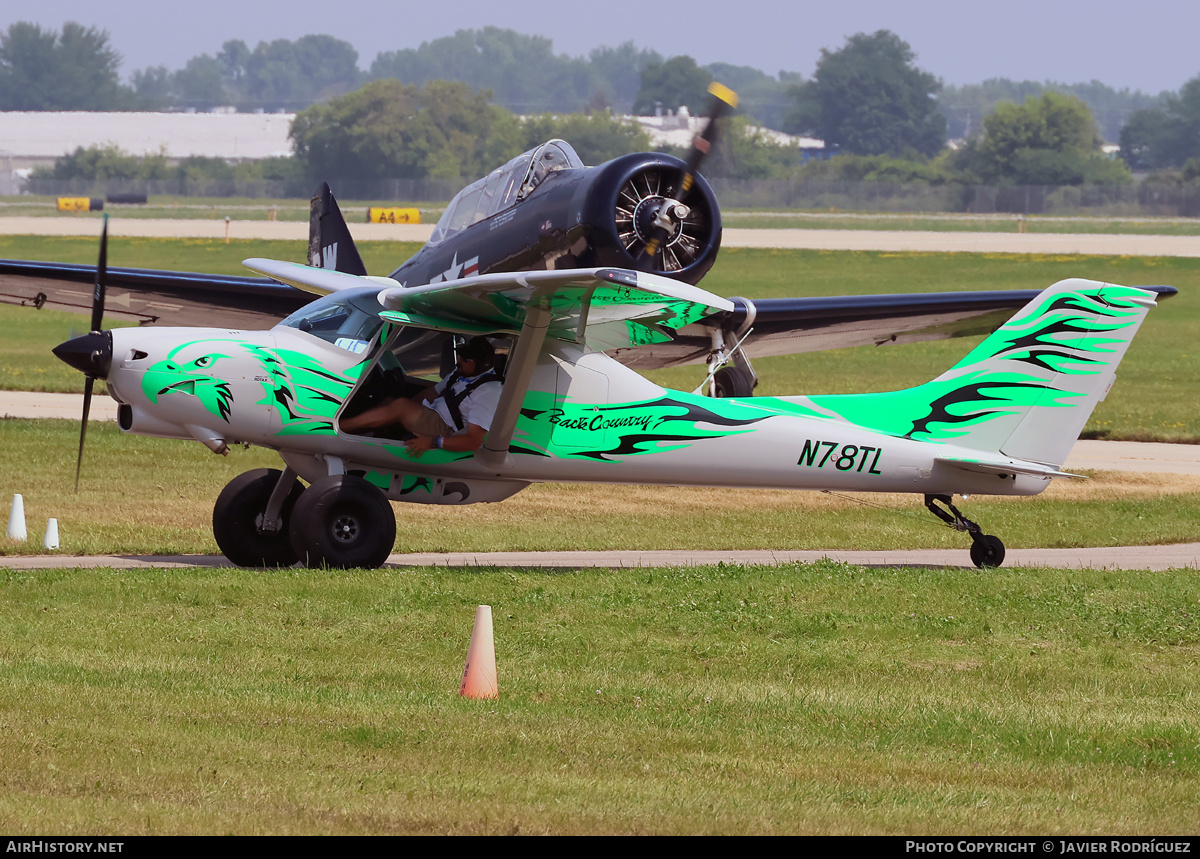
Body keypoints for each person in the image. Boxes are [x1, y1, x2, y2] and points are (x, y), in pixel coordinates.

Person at [340, 336, 503, 457]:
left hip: (445, 429)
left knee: (400, 406)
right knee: (393, 402)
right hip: (433, 414)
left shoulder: (488, 391)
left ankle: (337, 429)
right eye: (459, 355)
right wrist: (404, 411)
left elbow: (473, 441)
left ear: (482, 364)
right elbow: (432, 393)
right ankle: (358, 433)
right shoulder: (461, 373)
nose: (458, 360)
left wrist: (433, 441)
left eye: (465, 358)